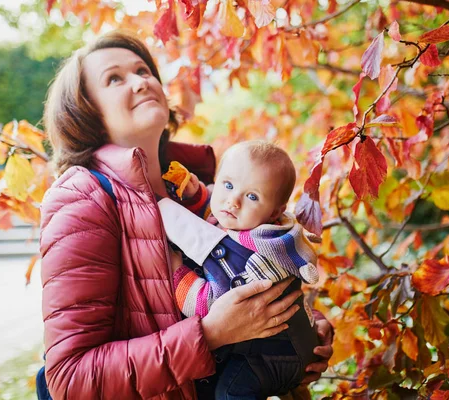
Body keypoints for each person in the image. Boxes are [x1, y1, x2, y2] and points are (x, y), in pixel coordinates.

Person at [39, 29, 333, 400]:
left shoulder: (211, 186)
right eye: (114, 78)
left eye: (144, 71)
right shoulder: (81, 199)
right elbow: (70, 379)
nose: (140, 82)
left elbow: (255, 267)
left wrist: (302, 332)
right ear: (86, 113)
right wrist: (210, 334)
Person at [158, 140, 322, 399]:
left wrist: (177, 272)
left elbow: (208, 305)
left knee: (229, 393)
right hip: (281, 342)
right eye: (228, 185)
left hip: (275, 355)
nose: (233, 201)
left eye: (252, 196)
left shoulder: (258, 255)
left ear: (274, 213)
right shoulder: (246, 224)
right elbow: (214, 217)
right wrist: (196, 196)